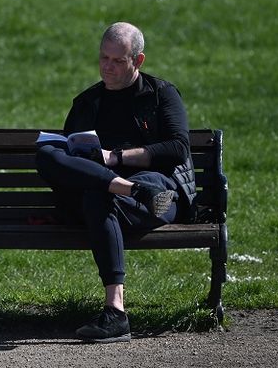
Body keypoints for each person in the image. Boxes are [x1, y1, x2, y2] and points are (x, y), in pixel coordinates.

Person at [35, 22, 196, 343]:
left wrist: (116, 158)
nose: (107, 67)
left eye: (117, 60)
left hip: (156, 190)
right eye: (103, 58)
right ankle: (125, 188)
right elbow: (68, 160)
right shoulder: (87, 102)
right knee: (49, 155)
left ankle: (115, 311)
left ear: (138, 61)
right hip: (133, 194)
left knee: (98, 197)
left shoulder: (161, 94)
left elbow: (178, 148)